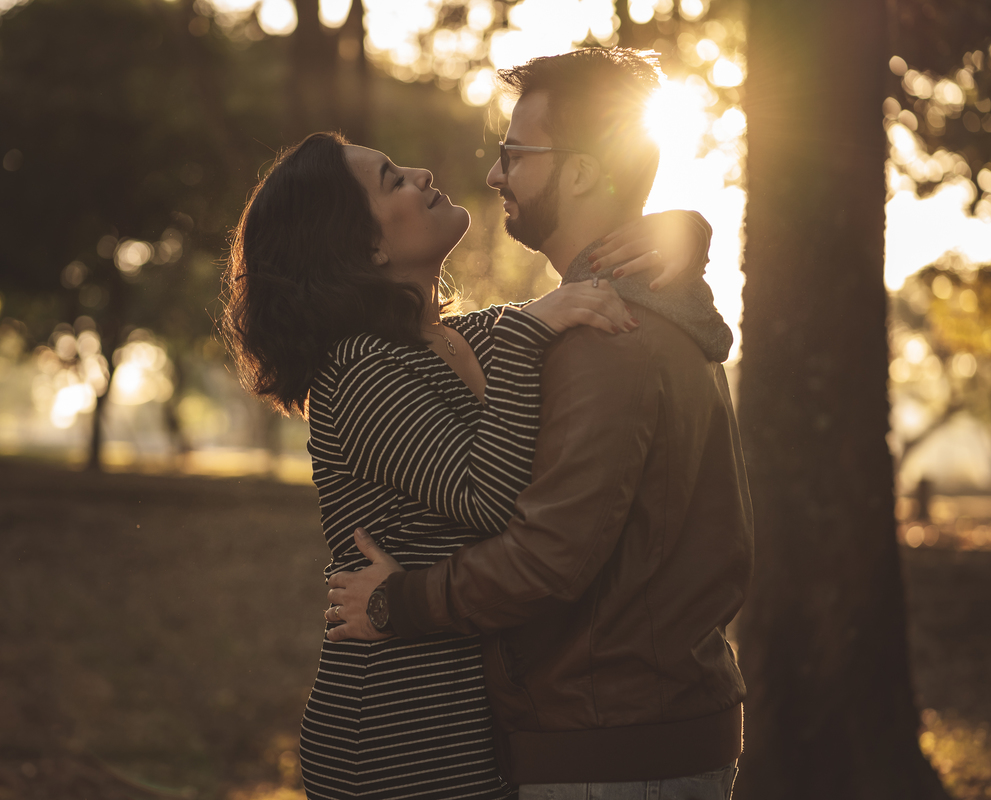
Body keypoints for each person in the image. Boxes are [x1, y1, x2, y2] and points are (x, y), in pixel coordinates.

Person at [223, 125, 725, 797]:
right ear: (366, 244)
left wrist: (684, 233)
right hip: (395, 732)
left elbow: (591, 317)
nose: (423, 173)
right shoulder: (358, 372)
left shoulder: (464, 339)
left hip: (470, 720)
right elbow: (490, 499)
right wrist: (532, 326)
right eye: (391, 180)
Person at [326, 48, 753, 800]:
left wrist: (402, 601)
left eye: (513, 155)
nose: (493, 175)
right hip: (517, 740)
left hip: (609, 746)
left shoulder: (601, 330)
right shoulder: (596, 316)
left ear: (582, 172)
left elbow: (547, 554)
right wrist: (681, 233)